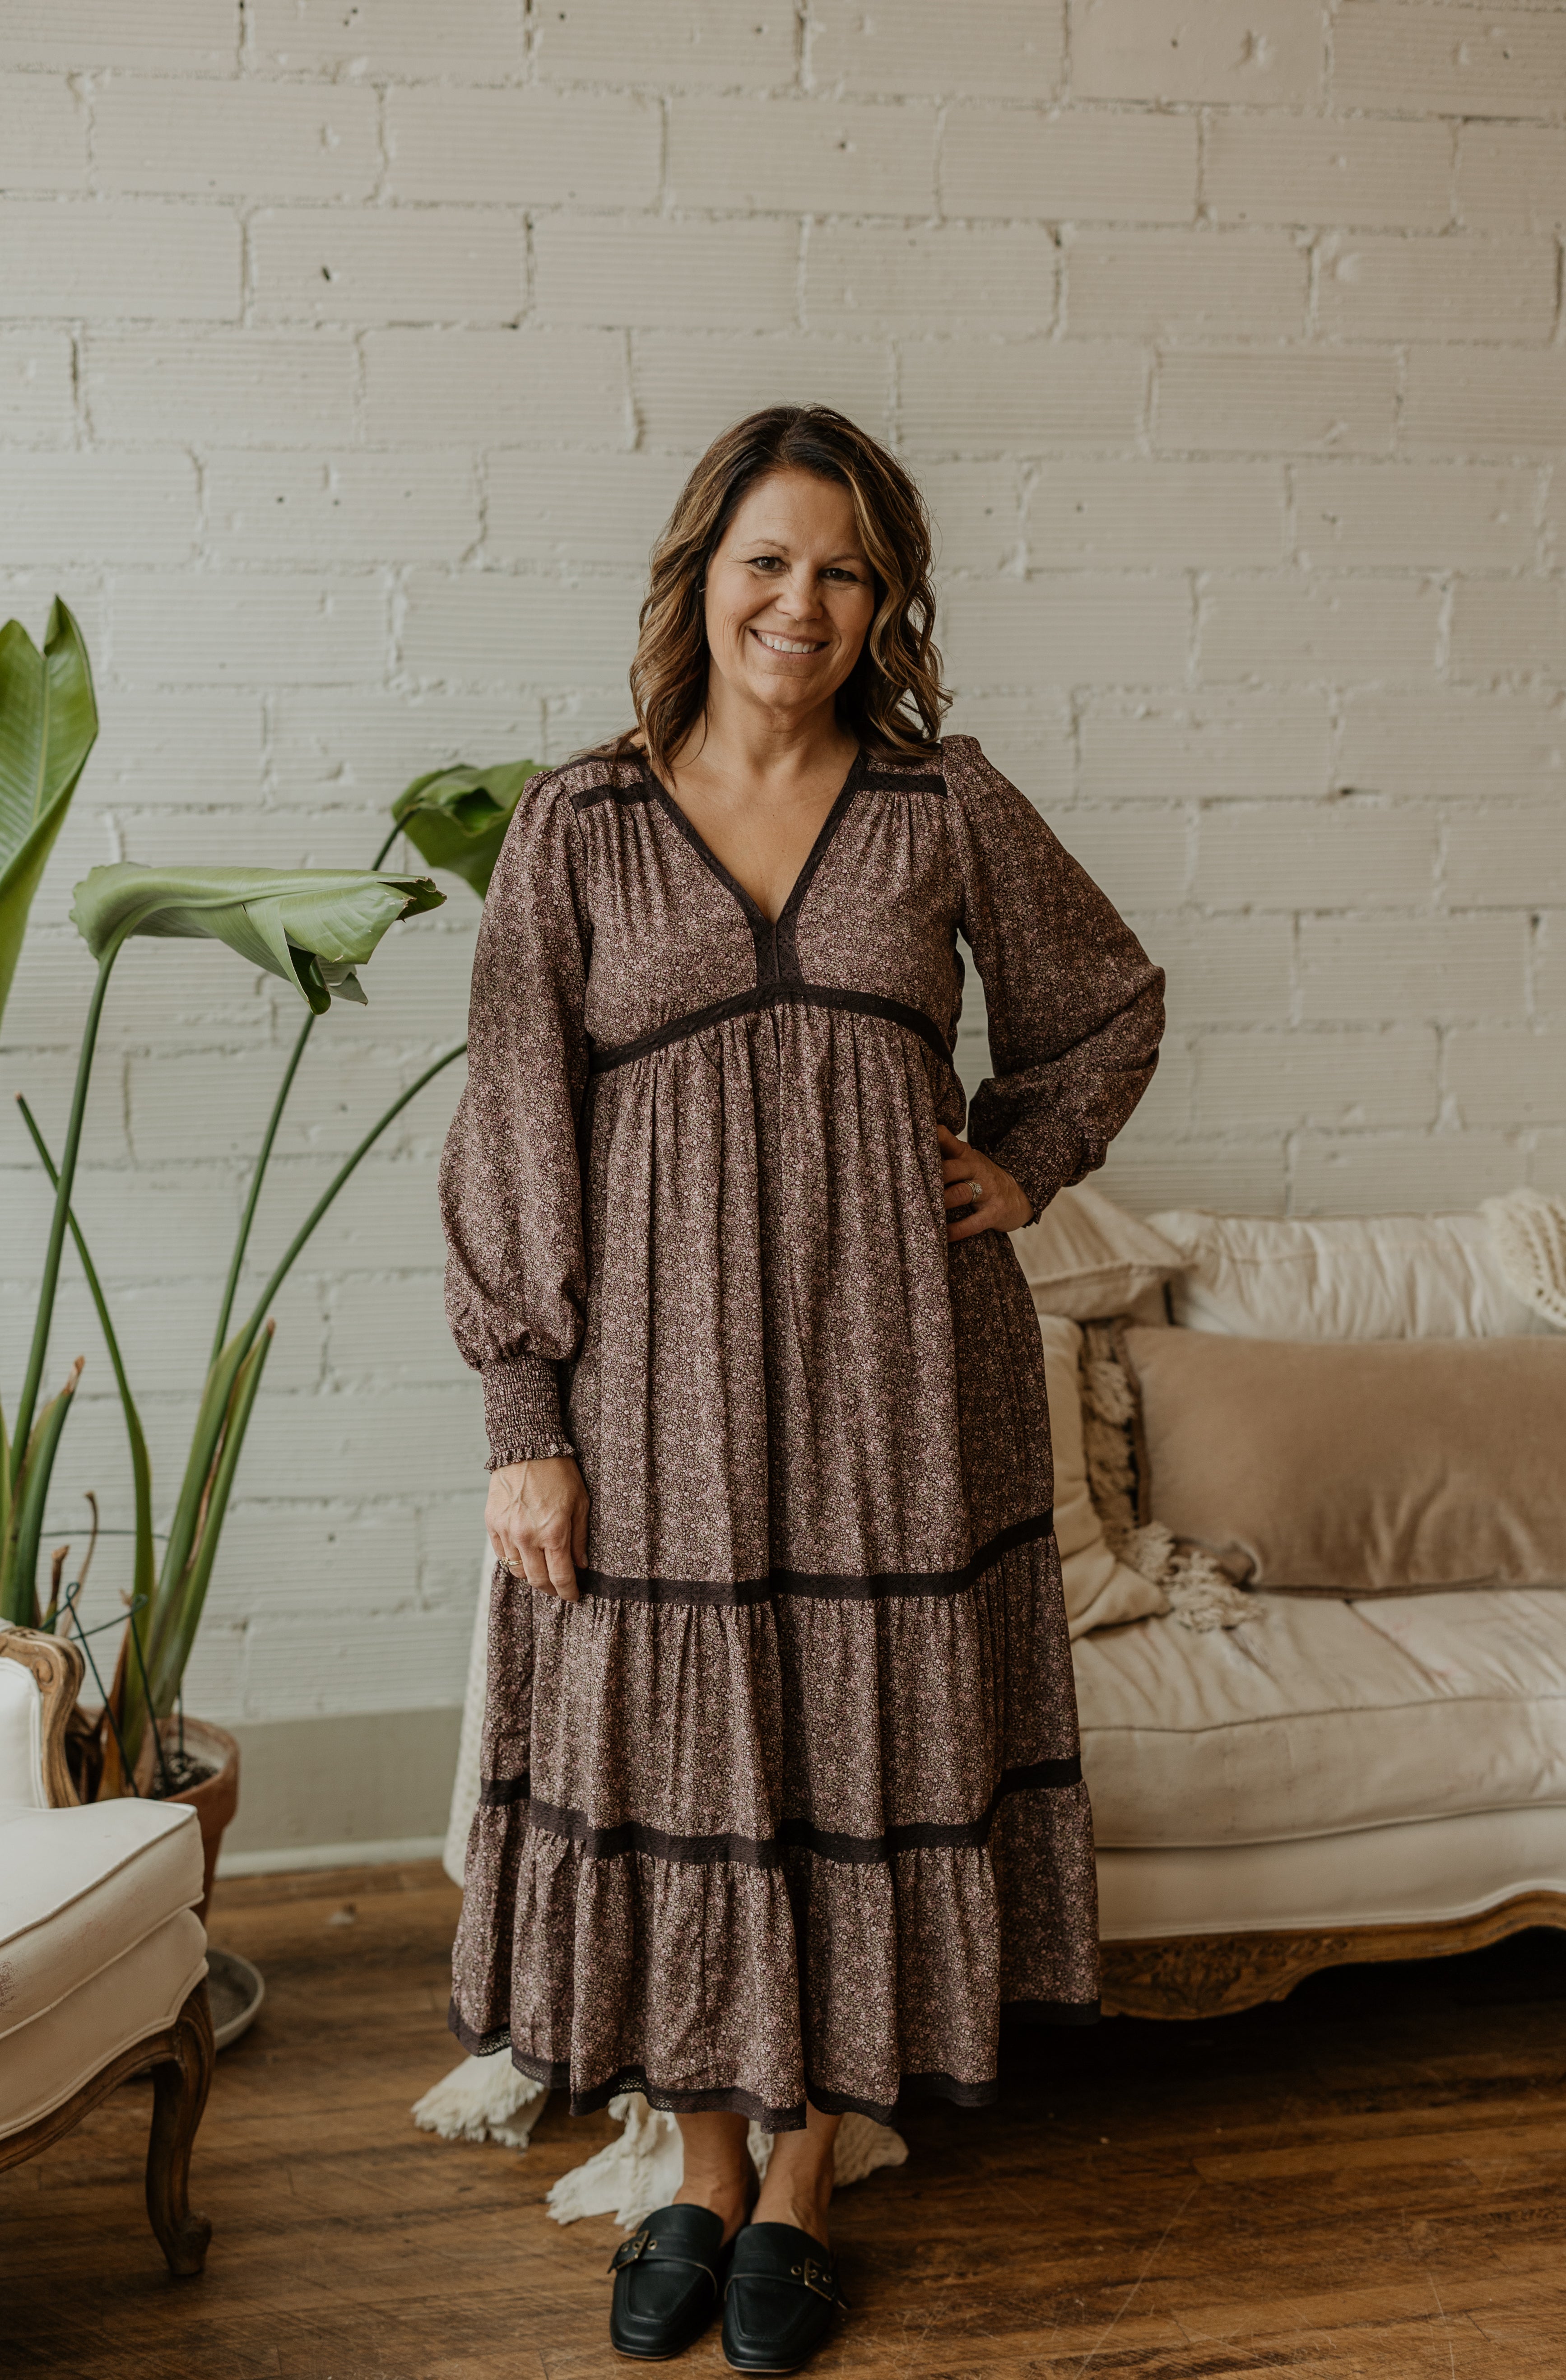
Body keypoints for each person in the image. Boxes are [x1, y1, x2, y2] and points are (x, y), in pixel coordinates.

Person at [439, 405, 1164, 2372]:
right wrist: (525, 1420)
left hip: (898, 1381)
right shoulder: (580, 822)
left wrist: (1025, 1155)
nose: (804, 603)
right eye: (770, 560)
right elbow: (512, 1124)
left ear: (885, 600)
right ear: (702, 576)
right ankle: (694, 2168)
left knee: (856, 1750)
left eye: (846, 572)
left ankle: (806, 2179)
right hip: (652, 1387)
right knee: (682, 1757)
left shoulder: (940, 805)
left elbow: (1106, 1001)